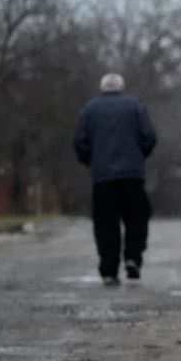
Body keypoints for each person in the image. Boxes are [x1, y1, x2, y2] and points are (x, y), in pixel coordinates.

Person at [72, 73, 158, 286]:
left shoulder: (89, 110)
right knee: (137, 217)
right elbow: (149, 137)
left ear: (102, 88)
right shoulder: (136, 107)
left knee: (105, 224)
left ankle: (109, 270)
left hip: (102, 178)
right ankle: (133, 258)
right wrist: (138, 157)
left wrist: (92, 162)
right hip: (132, 175)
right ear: (122, 87)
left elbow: (80, 142)